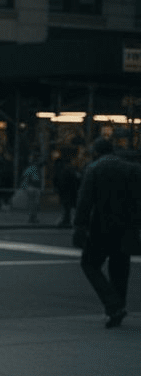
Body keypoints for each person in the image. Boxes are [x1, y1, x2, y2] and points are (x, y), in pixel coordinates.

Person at [73, 137, 141, 329]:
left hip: (101, 227)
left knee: (89, 264)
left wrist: (80, 226)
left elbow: (85, 202)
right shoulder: (132, 169)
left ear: (96, 152)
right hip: (127, 227)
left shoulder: (94, 169)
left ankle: (113, 305)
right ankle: (118, 307)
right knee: (120, 268)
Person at [54, 150, 81, 228]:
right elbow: (77, 181)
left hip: (66, 192)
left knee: (67, 207)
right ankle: (68, 220)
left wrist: (58, 189)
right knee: (69, 207)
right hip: (71, 192)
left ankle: (66, 220)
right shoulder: (71, 171)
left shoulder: (62, 170)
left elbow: (58, 181)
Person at [19, 156, 44, 224]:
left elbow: (24, 177)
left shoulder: (30, 168)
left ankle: (32, 217)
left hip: (31, 187)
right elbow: (39, 179)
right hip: (33, 187)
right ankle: (32, 218)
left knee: (32, 203)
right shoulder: (37, 169)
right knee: (34, 204)